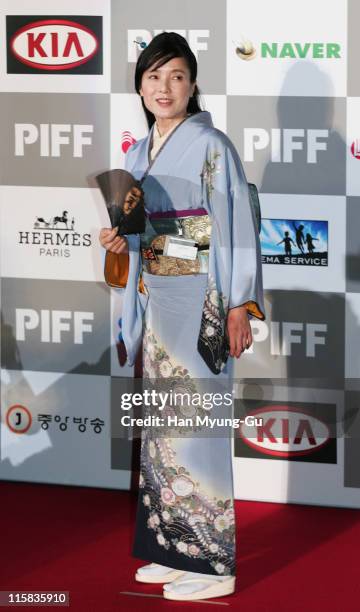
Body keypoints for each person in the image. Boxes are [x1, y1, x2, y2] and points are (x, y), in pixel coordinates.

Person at [99, 32, 265, 602]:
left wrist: (240, 303)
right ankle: (173, 545)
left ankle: (215, 562)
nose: (163, 88)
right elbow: (148, 236)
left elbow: (234, 227)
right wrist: (124, 241)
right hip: (159, 301)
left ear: (192, 84)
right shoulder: (135, 154)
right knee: (164, 432)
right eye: (152, 77)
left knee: (198, 430)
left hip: (203, 300)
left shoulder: (212, 143)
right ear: (139, 87)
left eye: (175, 76)